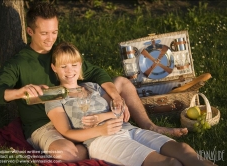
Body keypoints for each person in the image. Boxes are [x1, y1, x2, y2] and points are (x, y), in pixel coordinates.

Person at [0, 2, 186, 162]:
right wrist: (19, 92)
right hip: (45, 124)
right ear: (30, 32)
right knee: (67, 154)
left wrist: (116, 97)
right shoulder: (19, 62)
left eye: (54, 32)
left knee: (122, 83)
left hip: (77, 110)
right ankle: (92, 144)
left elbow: (96, 72)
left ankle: (149, 127)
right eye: (44, 33)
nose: (50, 38)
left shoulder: (59, 52)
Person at [44, 41, 215, 166]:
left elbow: (119, 111)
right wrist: (99, 129)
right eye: (63, 66)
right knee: (169, 163)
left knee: (184, 151)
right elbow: (66, 132)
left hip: (129, 130)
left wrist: (104, 115)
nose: (69, 71)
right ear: (54, 68)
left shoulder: (92, 86)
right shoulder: (54, 96)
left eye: (74, 65)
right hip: (101, 140)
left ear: (80, 65)